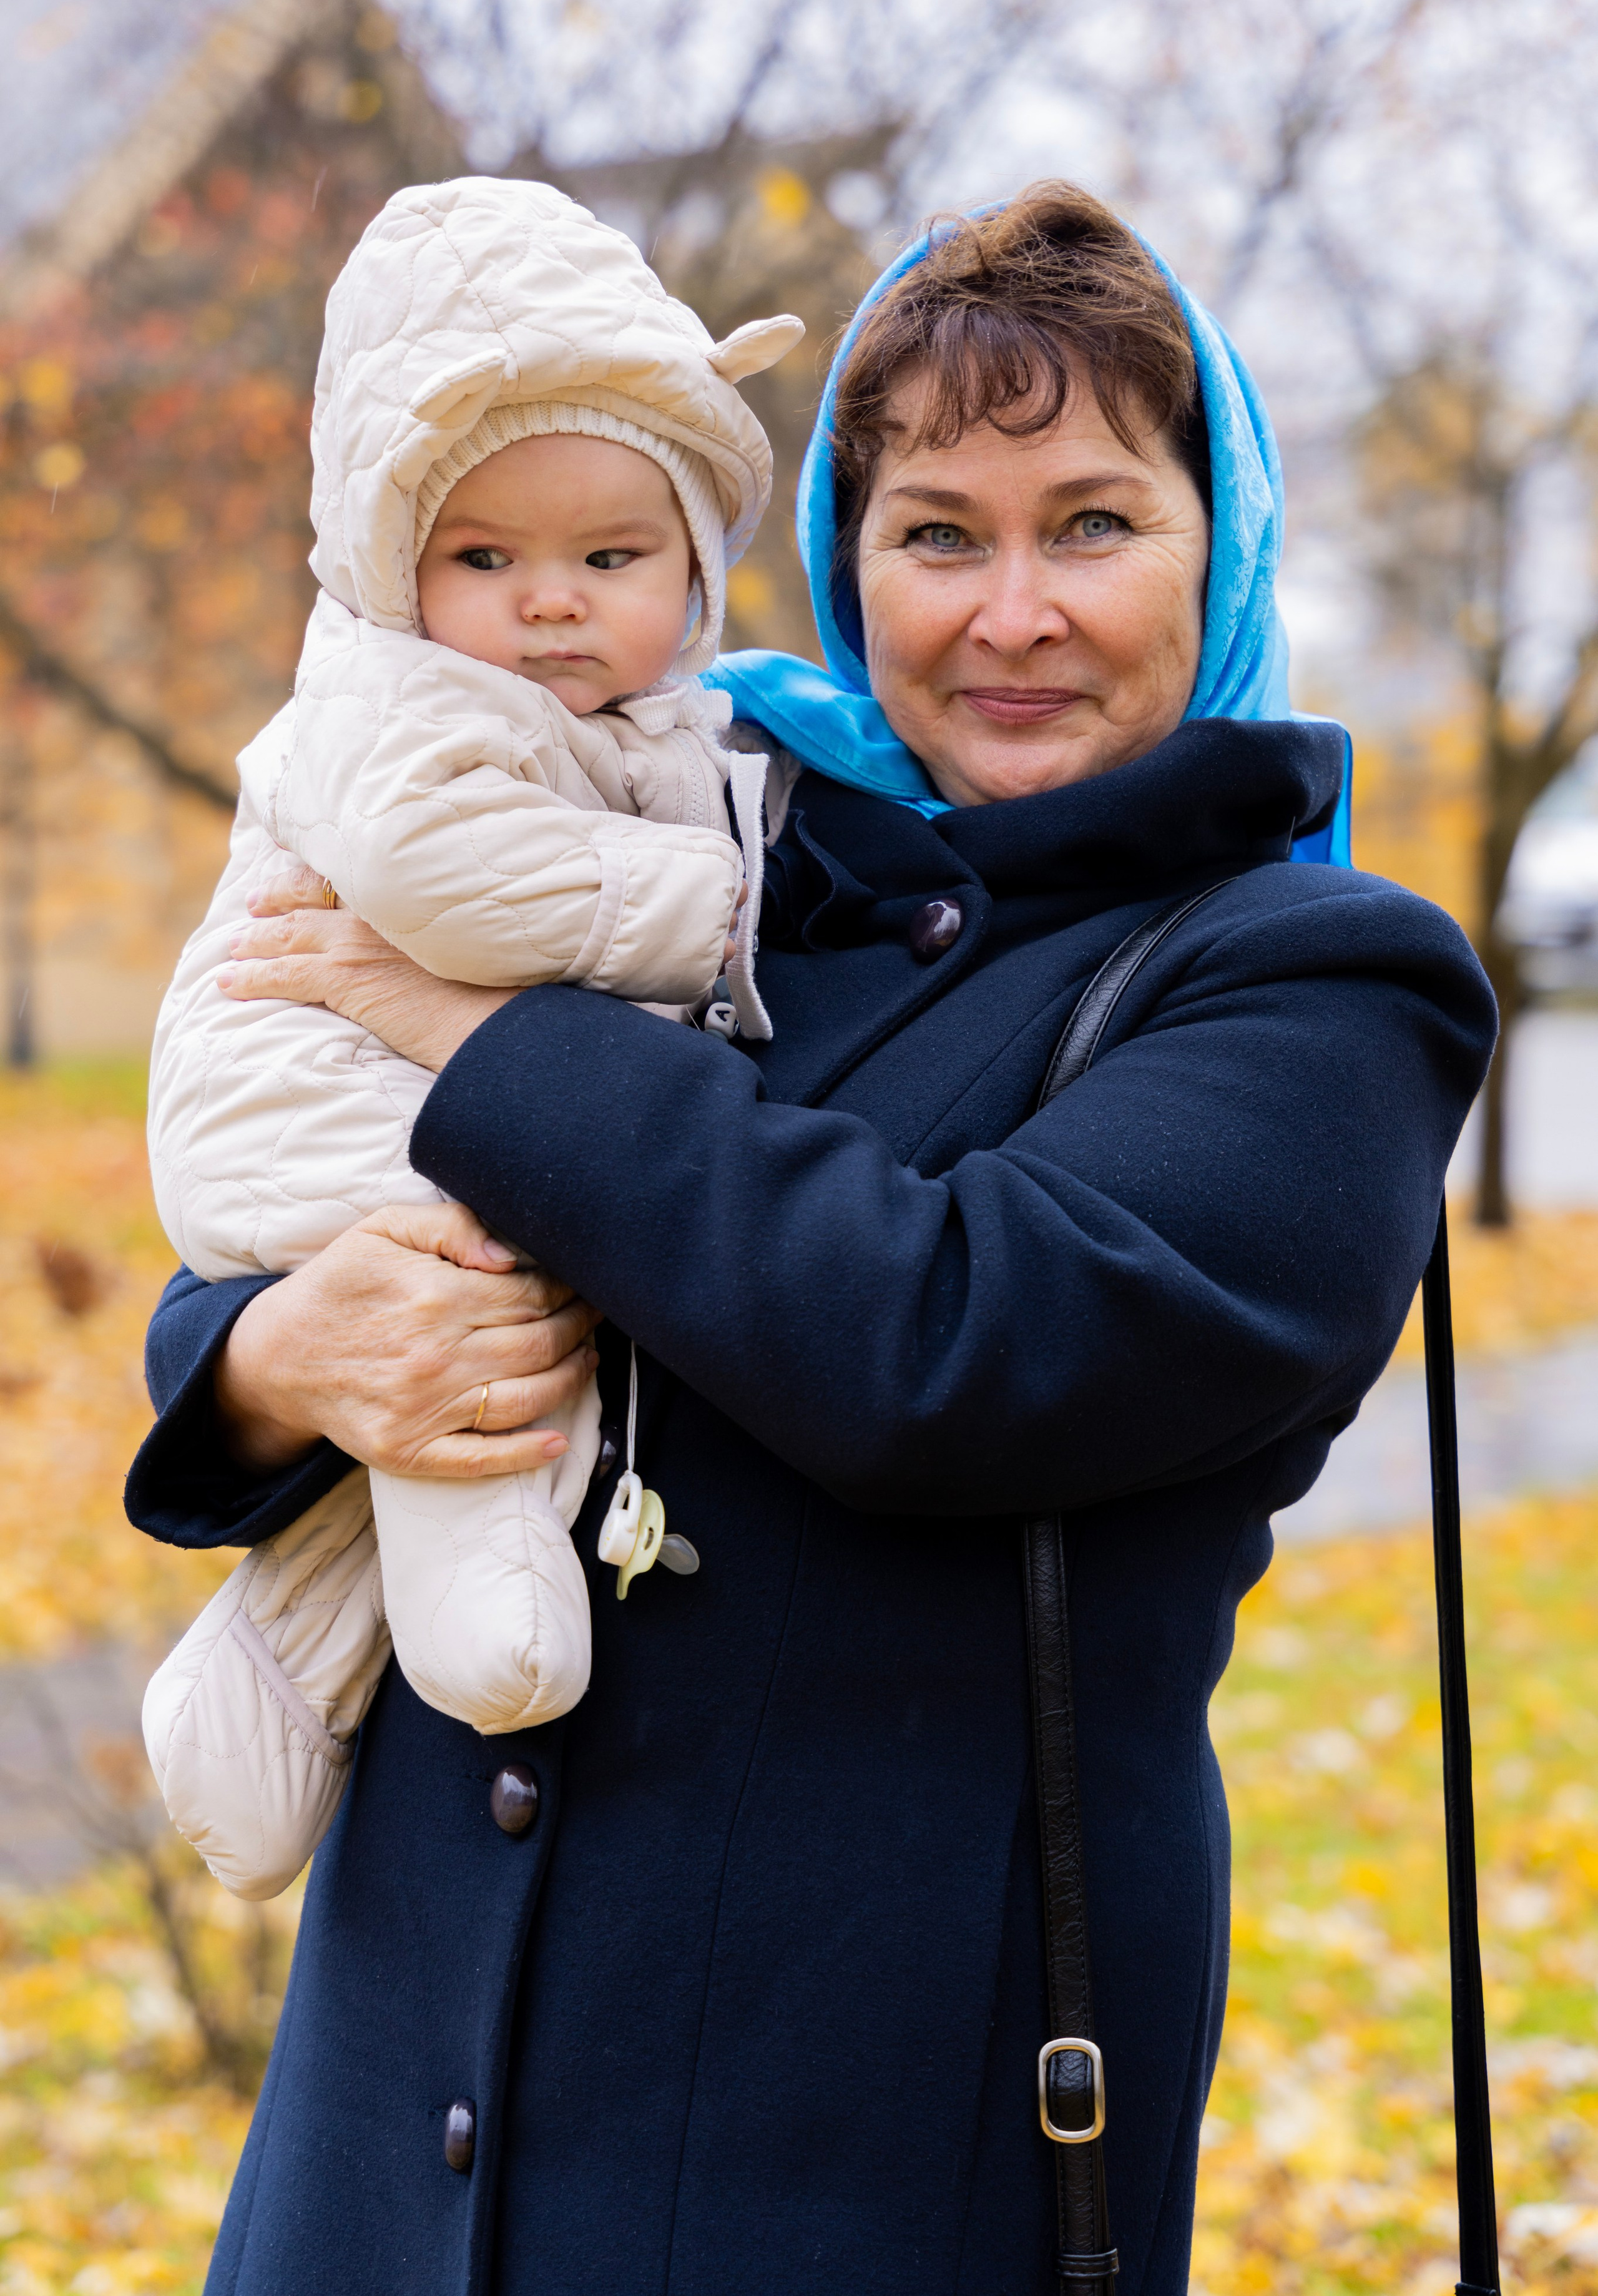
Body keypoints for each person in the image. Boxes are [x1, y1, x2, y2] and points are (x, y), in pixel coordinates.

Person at [127, 181, 1495, 2296]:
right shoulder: (716, 847)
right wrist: (271, 1362)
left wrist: (481, 1031)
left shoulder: (1311, 984)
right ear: (848, 565)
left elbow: (954, 1342)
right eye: (938, 532)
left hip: (846, 2163)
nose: (1011, 612)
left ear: (1221, 545)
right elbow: (307, 1198)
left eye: (1093, 524)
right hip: (388, 2156)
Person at [140, 175, 800, 1902]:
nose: (550, 604)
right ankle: (485, 1609)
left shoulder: (647, 724)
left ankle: (259, 1695)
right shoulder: (396, 696)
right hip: (304, 1084)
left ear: (697, 563)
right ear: (395, 565)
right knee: (489, 1308)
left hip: (373, 1085)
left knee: (459, 1336)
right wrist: (716, 907)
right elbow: (451, 882)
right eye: (484, 559)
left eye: (612, 558)